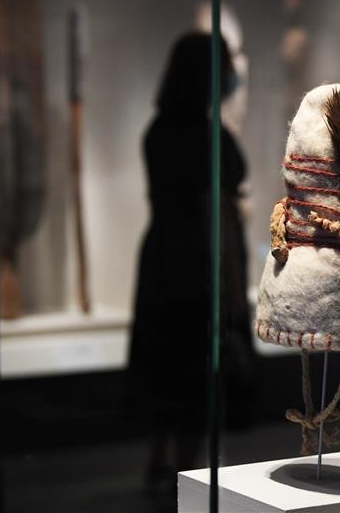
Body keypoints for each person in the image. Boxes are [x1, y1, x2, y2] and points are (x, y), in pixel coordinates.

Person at [128, 32, 249, 497]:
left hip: (163, 257)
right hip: (199, 262)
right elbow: (215, 212)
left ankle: (160, 463)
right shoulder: (208, 136)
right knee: (195, 376)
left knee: (164, 367)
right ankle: (184, 475)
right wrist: (231, 284)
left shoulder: (158, 130)